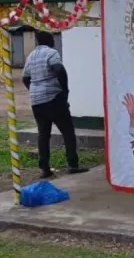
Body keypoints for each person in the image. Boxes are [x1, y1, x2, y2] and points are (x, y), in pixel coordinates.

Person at [22, 31, 88, 179]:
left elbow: (25, 78)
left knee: (43, 135)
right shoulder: (51, 53)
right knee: (67, 132)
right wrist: (64, 90)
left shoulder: (31, 56)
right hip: (54, 98)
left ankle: (45, 169)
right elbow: (59, 69)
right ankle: (73, 165)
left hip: (36, 101)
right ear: (50, 40)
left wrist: (34, 89)